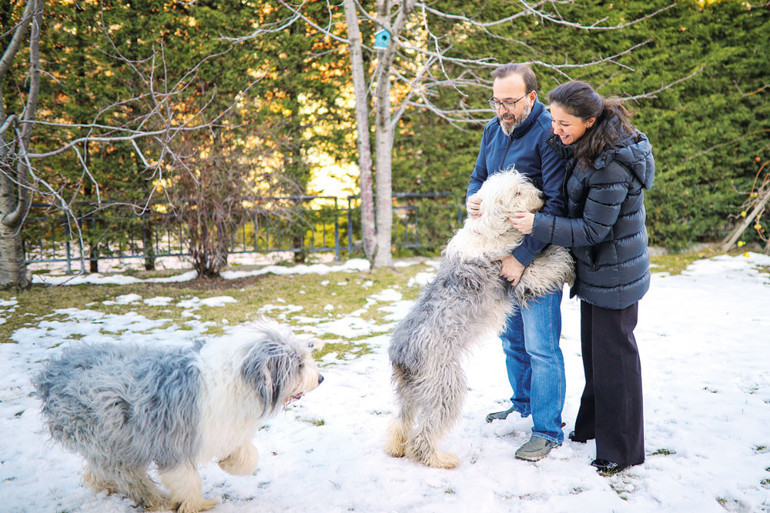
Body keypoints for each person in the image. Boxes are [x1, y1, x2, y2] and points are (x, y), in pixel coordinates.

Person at [510, 80, 654, 475]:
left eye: (564, 124)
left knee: (616, 361)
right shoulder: (586, 144)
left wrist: (536, 224)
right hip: (597, 270)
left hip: (616, 273)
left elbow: (592, 230)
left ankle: (621, 450)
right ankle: (590, 427)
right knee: (596, 354)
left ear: (590, 121)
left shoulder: (613, 163)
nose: (556, 129)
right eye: (553, 120)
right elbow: (557, 152)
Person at [466, 63, 568, 462]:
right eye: (497, 101)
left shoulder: (549, 133)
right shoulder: (493, 129)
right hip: (496, 254)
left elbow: (558, 204)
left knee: (542, 345)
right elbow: (478, 178)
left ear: (532, 97)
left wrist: (522, 257)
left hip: (539, 256)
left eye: (510, 102)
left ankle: (547, 430)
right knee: (511, 338)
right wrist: (473, 199)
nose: (502, 109)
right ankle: (522, 405)